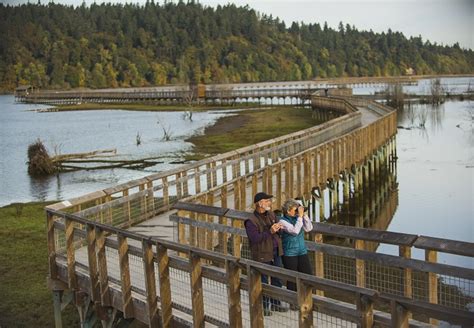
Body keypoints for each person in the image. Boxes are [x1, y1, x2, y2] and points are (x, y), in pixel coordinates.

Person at [244, 192, 288, 316]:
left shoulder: (271, 214)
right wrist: (270, 231)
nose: (270, 203)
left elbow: (275, 232)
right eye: (267, 201)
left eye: (270, 201)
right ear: (260, 204)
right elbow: (255, 239)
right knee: (263, 280)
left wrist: (278, 228)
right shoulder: (250, 221)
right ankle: (264, 307)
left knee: (277, 278)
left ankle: (276, 304)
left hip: (276, 251)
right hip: (262, 253)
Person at [278, 199, 313, 294]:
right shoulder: (282, 221)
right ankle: (292, 302)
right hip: (290, 253)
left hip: (302, 251)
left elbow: (309, 228)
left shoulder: (298, 218)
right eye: (295, 210)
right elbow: (295, 231)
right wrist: (300, 217)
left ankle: (307, 299)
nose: (297, 211)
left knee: (307, 276)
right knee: (292, 279)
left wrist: (304, 215)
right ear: (288, 211)